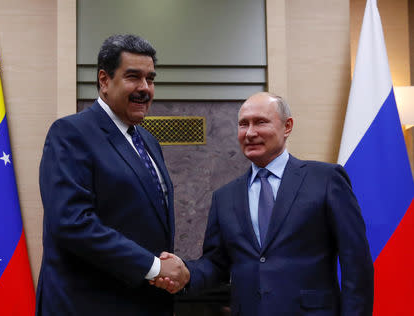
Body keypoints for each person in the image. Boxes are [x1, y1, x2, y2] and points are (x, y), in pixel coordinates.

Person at [155, 92, 374, 316]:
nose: (250, 133)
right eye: (243, 124)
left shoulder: (326, 179)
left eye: (260, 122)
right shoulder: (224, 197)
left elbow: (356, 263)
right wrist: (186, 272)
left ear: (287, 126)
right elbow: (216, 264)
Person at [36, 34, 188, 316]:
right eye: (134, 77)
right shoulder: (71, 133)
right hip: (88, 305)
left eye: (150, 79)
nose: (145, 88)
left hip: (143, 303)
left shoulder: (149, 141)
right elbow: (73, 223)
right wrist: (154, 267)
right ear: (104, 80)